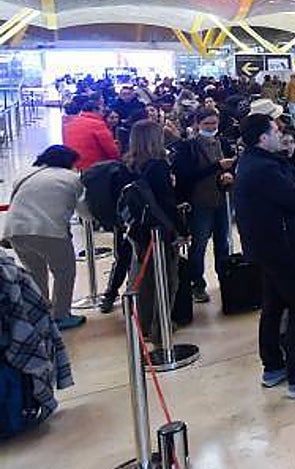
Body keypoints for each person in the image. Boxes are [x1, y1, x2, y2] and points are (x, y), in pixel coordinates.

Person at [233, 114, 295, 400]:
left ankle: (273, 366)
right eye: (275, 131)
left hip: (267, 246)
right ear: (263, 138)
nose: (281, 135)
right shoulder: (263, 169)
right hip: (279, 247)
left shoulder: (259, 163)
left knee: (273, 304)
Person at [3, 146, 89, 329]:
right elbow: (85, 212)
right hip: (49, 230)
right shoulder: (72, 178)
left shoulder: (25, 174)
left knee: (35, 273)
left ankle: (40, 314)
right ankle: (61, 315)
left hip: (16, 230)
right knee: (64, 272)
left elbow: (15, 202)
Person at [125, 120, 187, 347]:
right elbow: (166, 203)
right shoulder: (158, 166)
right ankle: (161, 329)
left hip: (138, 229)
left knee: (147, 282)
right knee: (166, 280)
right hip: (160, 231)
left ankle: (146, 325)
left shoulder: (130, 164)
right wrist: (181, 230)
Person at [171, 108, 236, 305]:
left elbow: (232, 166)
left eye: (214, 123)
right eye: (207, 123)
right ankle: (197, 283)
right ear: (198, 124)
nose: (211, 127)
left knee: (223, 242)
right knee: (199, 244)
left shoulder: (223, 143)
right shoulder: (188, 147)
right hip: (199, 202)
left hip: (221, 199)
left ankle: (226, 279)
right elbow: (185, 176)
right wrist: (217, 167)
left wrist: (229, 174)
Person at [62, 95, 119, 171]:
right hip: (94, 167)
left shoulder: (71, 122)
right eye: (102, 111)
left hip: (73, 165)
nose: (103, 115)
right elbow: (111, 150)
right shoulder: (98, 124)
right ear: (95, 110)